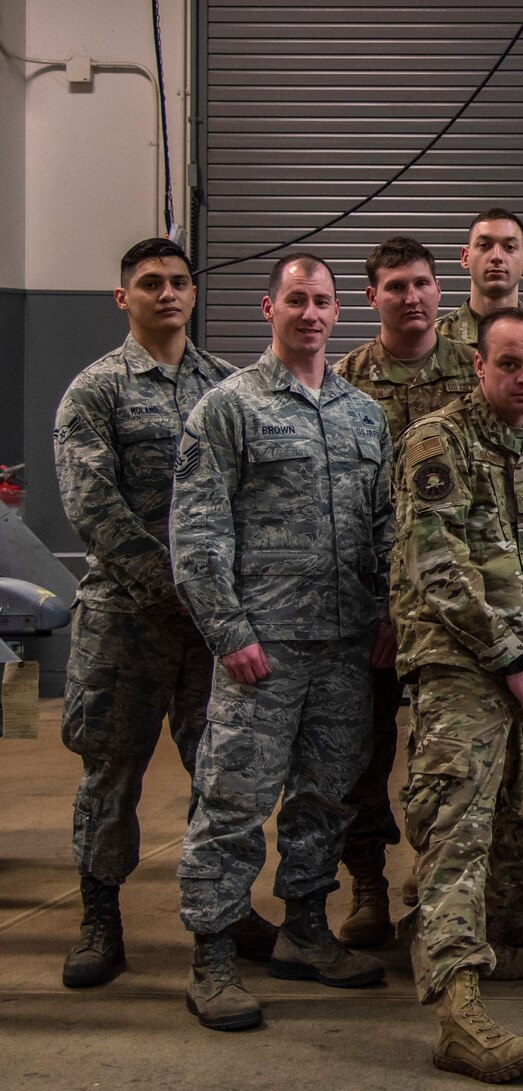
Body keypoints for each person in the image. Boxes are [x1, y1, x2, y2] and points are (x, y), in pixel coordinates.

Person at [170, 253, 395, 1030]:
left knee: (326, 797)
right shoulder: (227, 407)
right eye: (295, 299)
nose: (310, 313)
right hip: (262, 648)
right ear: (268, 308)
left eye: (322, 301)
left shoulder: (365, 414)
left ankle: (305, 929)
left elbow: (386, 528)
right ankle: (214, 955)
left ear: (339, 313)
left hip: (345, 643)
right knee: (231, 800)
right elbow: (198, 533)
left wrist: (389, 614)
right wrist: (228, 631)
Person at [52, 238, 265, 988]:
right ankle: (99, 917)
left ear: (195, 293)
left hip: (209, 628)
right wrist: (172, 583)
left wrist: (221, 598)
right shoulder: (96, 391)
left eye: (178, 281)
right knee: (112, 771)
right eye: (150, 283)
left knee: (222, 772)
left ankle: (224, 910)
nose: (167, 293)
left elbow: (250, 499)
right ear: (124, 298)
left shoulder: (229, 387)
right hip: (126, 620)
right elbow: (91, 504)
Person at [395, 306, 523, 1084]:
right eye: (509, 363)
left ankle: (480, 918)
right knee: (459, 822)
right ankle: (458, 1003)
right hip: (459, 663)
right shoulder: (438, 440)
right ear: (477, 365)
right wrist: (509, 655)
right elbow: (435, 564)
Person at [332, 235, 480, 950]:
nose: (412, 297)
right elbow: (335, 504)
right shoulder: (343, 380)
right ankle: (365, 885)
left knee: (440, 758)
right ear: (372, 297)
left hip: (449, 608)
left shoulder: (473, 372)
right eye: (395, 286)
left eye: (422, 283)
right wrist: (377, 607)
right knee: (361, 754)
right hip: (366, 606)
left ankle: (429, 891)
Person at [436, 207, 523, 351]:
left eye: (509, 247)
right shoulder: (434, 339)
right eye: (484, 246)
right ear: (465, 257)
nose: (497, 256)